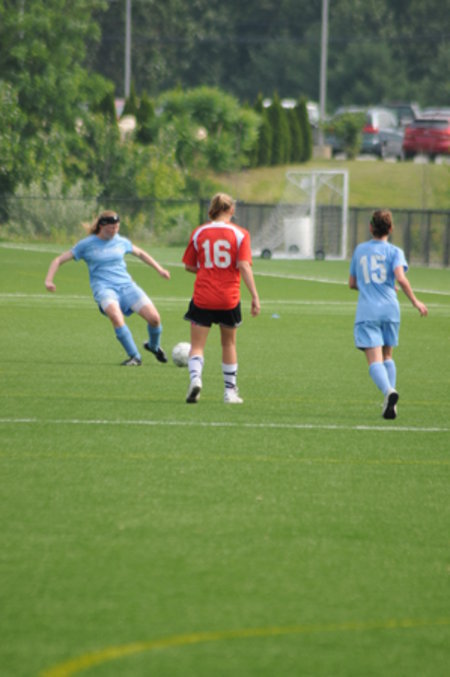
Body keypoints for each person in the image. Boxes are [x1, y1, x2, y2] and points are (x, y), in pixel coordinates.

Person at [45, 210, 170, 366]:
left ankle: (153, 346)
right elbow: (58, 260)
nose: (114, 230)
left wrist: (159, 269)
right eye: (111, 227)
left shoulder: (121, 241)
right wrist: (49, 280)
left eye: (117, 227)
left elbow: (141, 254)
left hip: (127, 286)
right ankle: (135, 357)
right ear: (101, 226)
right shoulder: (86, 244)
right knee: (116, 317)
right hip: (104, 289)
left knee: (155, 319)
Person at [349, 209, 428, 419]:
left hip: (369, 311)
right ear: (391, 229)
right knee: (387, 356)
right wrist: (415, 301)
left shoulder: (360, 250)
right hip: (391, 310)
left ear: (370, 227)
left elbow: (352, 283)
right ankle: (390, 404)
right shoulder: (395, 251)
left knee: (374, 360)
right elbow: (400, 278)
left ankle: (388, 391)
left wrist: (369, 287)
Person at [182, 192, 260, 404]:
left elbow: (189, 266)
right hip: (229, 298)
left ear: (212, 209)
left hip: (203, 296)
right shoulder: (240, 234)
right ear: (231, 210)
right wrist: (254, 296)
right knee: (228, 344)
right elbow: (243, 266)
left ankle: (196, 379)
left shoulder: (199, 232)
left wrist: (208, 270)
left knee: (197, 345)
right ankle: (229, 392)